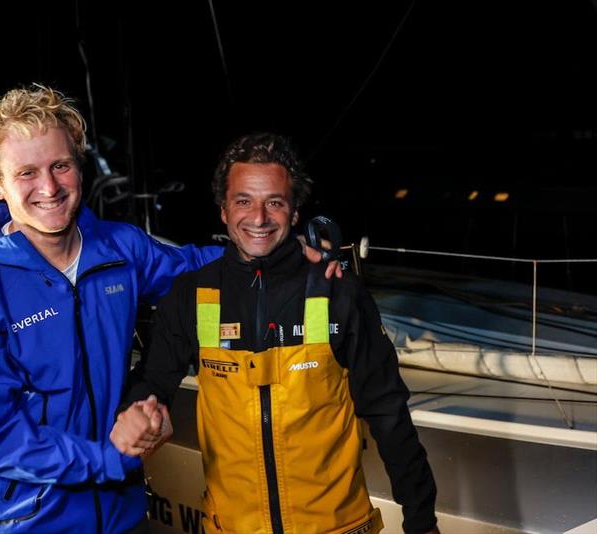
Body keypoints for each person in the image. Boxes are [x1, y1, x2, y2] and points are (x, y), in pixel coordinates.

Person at [0, 86, 341, 533]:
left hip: (120, 514)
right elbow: (5, 442)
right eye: (26, 173)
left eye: (60, 166)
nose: (48, 187)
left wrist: (284, 249)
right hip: (26, 520)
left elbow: (194, 267)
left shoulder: (118, 249)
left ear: (78, 168)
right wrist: (114, 457)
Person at [112, 133, 439, 534]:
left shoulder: (338, 292)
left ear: (294, 212)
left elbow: (390, 417)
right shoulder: (192, 295)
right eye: (244, 201)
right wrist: (135, 410)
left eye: (275, 202)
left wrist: (421, 523)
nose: (259, 217)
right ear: (223, 210)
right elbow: (152, 381)